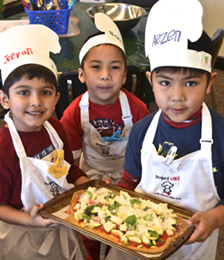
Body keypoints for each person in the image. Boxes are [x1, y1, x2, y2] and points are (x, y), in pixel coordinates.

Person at [104, 0, 224, 260]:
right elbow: (129, 181)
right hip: (136, 244)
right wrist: (111, 195)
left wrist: (214, 218)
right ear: (151, 82)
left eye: (190, 83)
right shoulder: (141, 131)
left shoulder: (221, 136)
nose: (177, 96)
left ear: (210, 82)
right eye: (165, 83)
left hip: (192, 249)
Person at [60, 13, 149, 260]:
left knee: (125, 226)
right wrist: (87, 186)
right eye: (96, 67)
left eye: (115, 67)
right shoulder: (74, 113)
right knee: (92, 227)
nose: (105, 75)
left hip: (128, 176)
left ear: (125, 75)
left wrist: (131, 183)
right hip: (90, 177)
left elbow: (143, 153)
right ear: (81, 74)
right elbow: (72, 158)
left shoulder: (138, 109)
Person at [0, 24, 90, 260]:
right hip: (22, 233)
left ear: (57, 97)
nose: (36, 101)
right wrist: (32, 220)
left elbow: (70, 170)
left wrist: (91, 188)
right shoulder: (4, 146)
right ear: (4, 99)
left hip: (59, 218)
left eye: (46, 92)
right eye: (23, 92)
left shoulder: (55, 128)